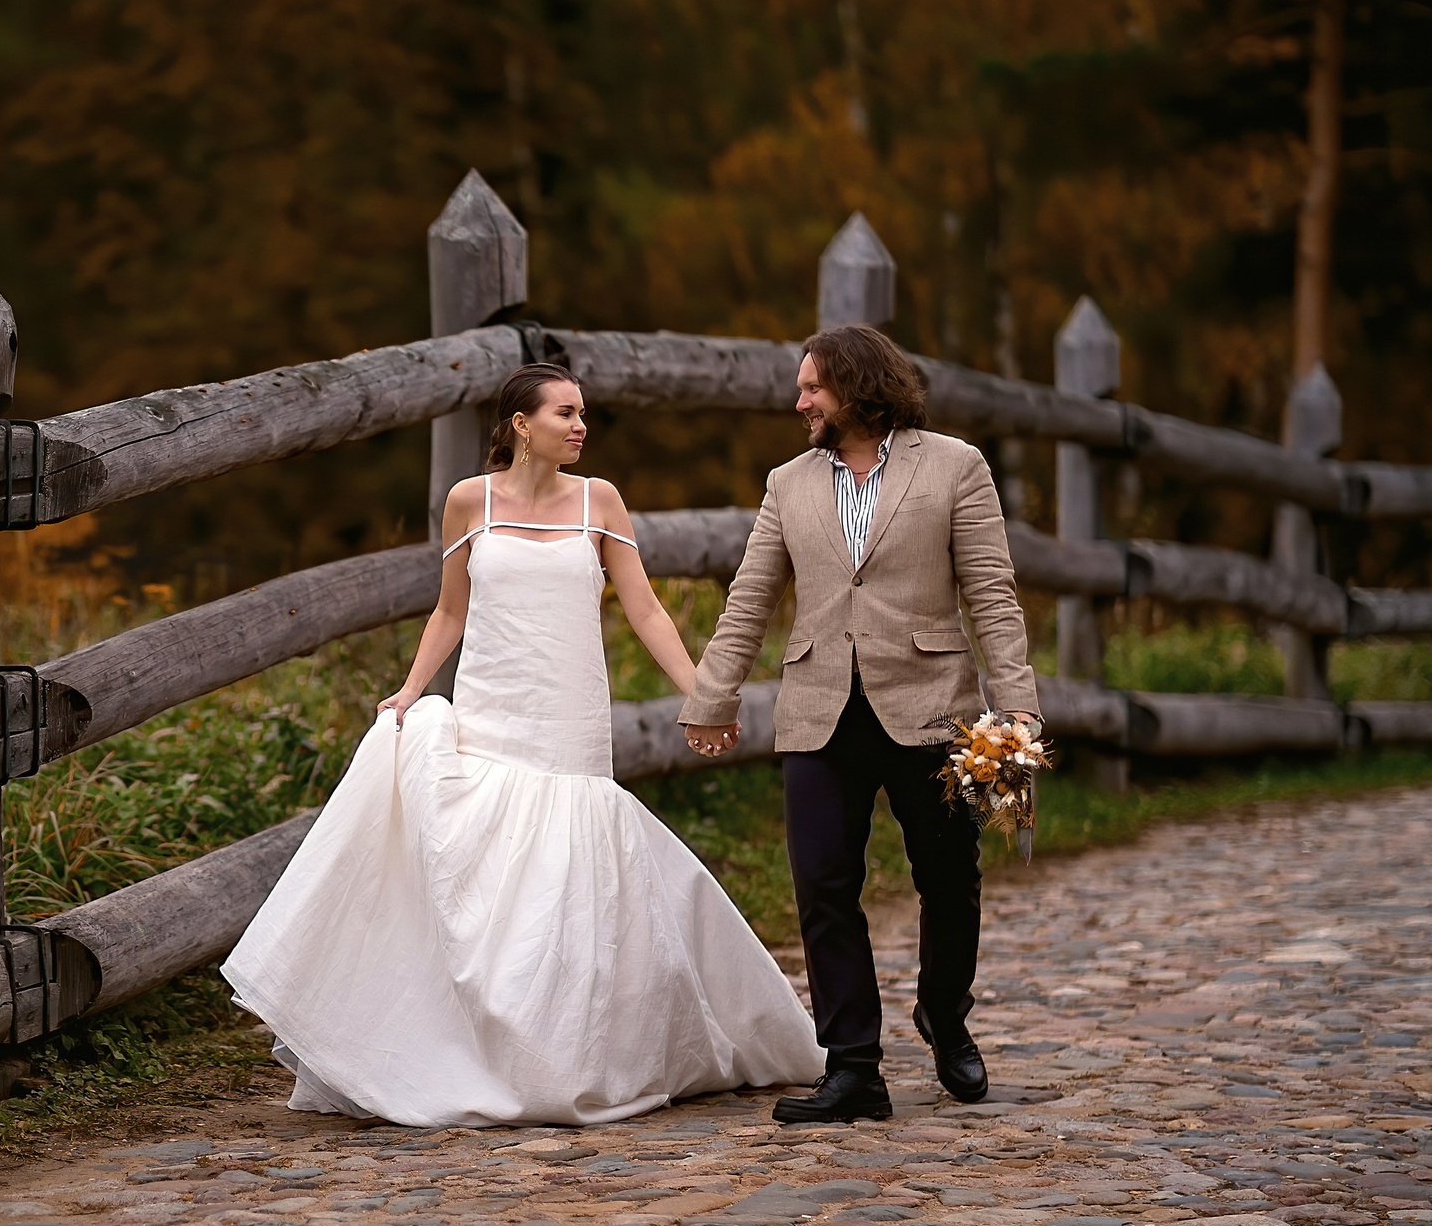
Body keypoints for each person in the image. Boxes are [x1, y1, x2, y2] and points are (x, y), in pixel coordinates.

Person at [220, 363, 823, 1129]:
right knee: (481, 874)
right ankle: (477, 1046)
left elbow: (645, 609)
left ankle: (568, 1052)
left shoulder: (597, 500)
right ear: (519, 424)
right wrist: (411, 690)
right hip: (491, 707)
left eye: (583, 413)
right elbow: (448, 610)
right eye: (566, 412)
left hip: (567, 716)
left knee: (567, 871)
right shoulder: (468, 502)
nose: (580, 426)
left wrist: (701, 691)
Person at [681, 325, 1038, 1124]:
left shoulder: (954, 465)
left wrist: (1016, 711)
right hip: (818, 708)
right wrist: (712, 697)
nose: (799, 400)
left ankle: (945, 1014)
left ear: (857, 385)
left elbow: (992, 593)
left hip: (931, 707)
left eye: (813, 387)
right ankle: (853, 1069)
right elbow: (749, 599)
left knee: (950, 880)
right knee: (823, 886)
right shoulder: (788, 482)